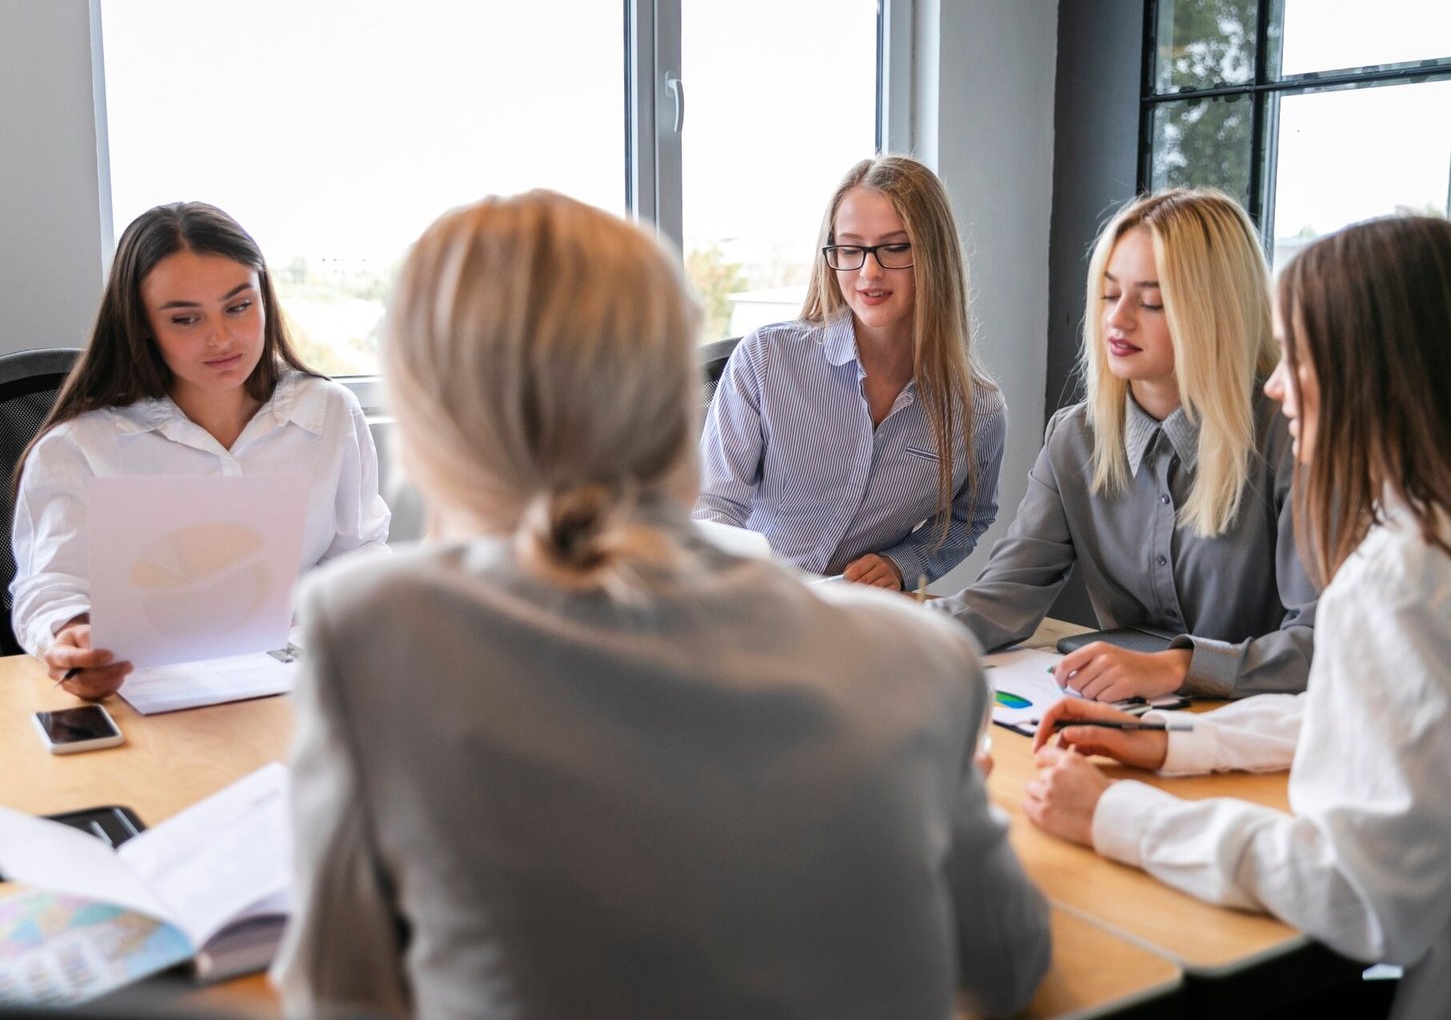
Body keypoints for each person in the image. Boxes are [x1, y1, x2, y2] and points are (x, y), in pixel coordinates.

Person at [273, 190, 1050, 1019]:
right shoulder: (919, 663)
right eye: (849, 250)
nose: (866, 270)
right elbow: (1005, 963)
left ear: (434, 413)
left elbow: (340, 994)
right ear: (679, 394)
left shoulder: (373, 632)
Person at [1025, 215, 1451, 1019]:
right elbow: (1408, 725)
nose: (1274, 383)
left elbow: (1366, 898)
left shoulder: (1407, 578)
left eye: (1296, 355)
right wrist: (1178, 742)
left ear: (1374, 374)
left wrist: (1117, 814)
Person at [932, 189, 1317, 700]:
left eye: (1152, 302)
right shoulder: (1074, 438)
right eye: (1110, 295)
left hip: (1262, 733)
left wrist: (1179, 667)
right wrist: (876, 636)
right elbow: (1003, 596)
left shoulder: (1291, 436)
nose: (1118, 319)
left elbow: (1322, 642)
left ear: (1216, 313)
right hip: (1125, 722)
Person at [9, 202, 390, 699]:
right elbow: (51, 587)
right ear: (142, 323)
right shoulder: (79, 447)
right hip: (145, 687)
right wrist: (71, 638)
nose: (222, 339)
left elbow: (358, 552)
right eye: (186, 319)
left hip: (294, 685)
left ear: (264, 298)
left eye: (238, 306)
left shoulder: (329, 413)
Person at [695, 155, 1005, 589]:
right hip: (750, 607)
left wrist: (904, 562)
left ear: (935, 257)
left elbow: (970, 518)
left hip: (859, 621)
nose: (869, 271)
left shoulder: (979, 411)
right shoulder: (766, 359)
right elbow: (713, 504)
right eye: (850, 249)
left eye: (895, 247)